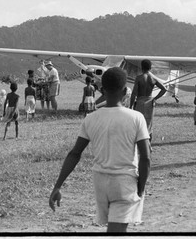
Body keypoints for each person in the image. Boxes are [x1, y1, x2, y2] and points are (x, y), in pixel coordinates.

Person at [48, 67, 151, 233]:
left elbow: (75, 153)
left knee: (114, 228)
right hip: (124, 182)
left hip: (100, 183)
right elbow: (146, 157)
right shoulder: (136, 117)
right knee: (116, 231)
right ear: (125, 91)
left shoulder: (91, 118)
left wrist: (57, 186)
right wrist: (141, 185)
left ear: (102, 90)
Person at [129, 59, 167, 146]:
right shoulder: (153, 78)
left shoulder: (139, 78)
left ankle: (141, 144)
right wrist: (155, 98)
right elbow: (164, 89)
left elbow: (134, 93)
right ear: (150, 67)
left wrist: (131, 106)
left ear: (141, 67)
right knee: (149, 124)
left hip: (140, 102)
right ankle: (149, 144)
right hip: (150, 102)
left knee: (139, 124)